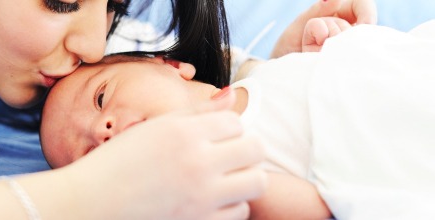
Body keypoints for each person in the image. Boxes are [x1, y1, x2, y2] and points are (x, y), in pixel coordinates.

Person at [0, 0, 374, 219]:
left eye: (105, 9)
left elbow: (150, 70)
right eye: (60, 1)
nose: (89, 43)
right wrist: (83, 197)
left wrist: (282, 72)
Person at [39, 20, 435, 219]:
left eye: (102, 97)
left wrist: (331, 49)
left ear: (173, 66)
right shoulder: (220, 175)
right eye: (91, 157)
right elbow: (325, 207)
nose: (101, 130)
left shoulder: (264, 74)